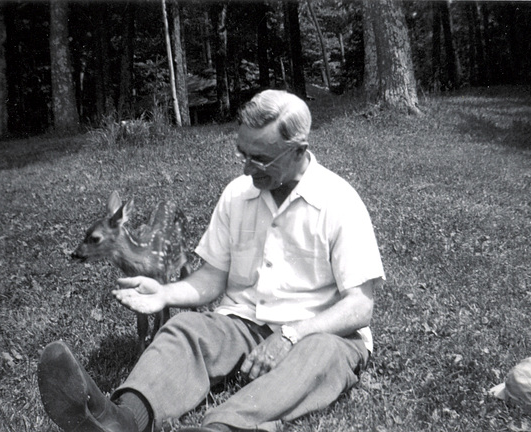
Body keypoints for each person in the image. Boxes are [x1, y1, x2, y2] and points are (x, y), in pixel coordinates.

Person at [38, 89, 385, 432]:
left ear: (298, 151)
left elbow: (359, 308)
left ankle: (221, 427)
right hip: (244, 325)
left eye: (261, 158)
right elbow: (212, 278)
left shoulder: (339, 201)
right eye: (243, 154)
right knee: (186, 328)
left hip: (321, 332)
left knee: (319, 356)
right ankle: (121, 420)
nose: (248, 168)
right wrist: (165, 294)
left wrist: (291, 335)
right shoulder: (237, 194)